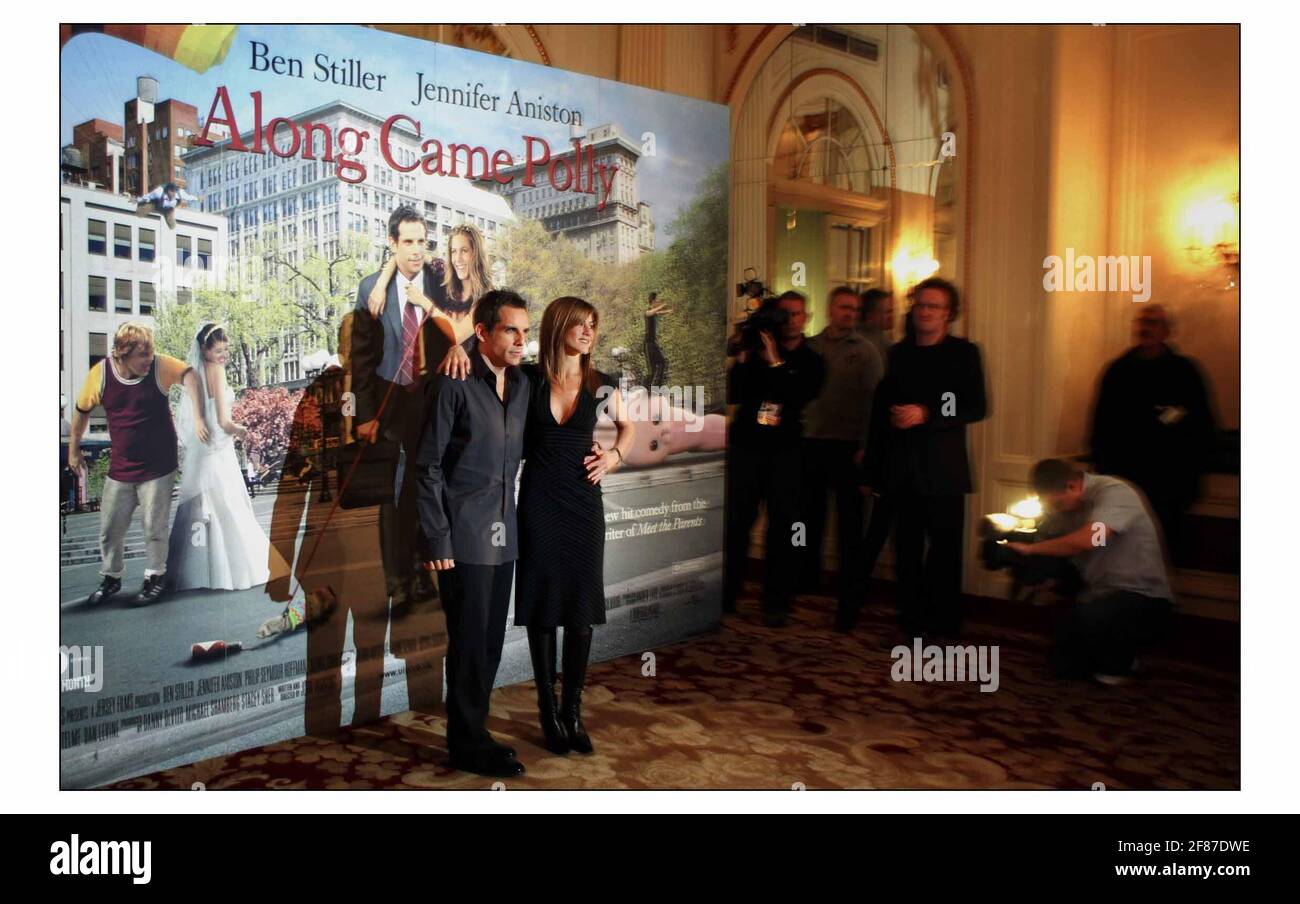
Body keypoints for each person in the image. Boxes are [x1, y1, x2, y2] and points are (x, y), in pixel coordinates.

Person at [416, 290, 532, 778]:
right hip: (463, 537)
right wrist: (437, 539)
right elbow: (427, 467)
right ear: (482, 332)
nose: (521, 341)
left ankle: (475, 732)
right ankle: (465, 742)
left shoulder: (525, 383)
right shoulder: (454, 382)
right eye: (510, 330)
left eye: (526, 331)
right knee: (468, 643)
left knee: (488, 641)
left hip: (506, 534)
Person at [516, 297, 635, 756]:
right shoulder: (527, 379)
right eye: (580, 324)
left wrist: (615, 456)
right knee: (544, 606)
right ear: (559, 326)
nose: (588, 332)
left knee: (581, 610)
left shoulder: (601, 383)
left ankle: (572, 711)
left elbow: (628, 429)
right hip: (540, 503)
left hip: (585, 505)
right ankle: (547, 711)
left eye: (593, 325)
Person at [351, 206, 470, 614]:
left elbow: (465, 324)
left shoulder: (443, 283)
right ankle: (397, 581)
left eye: (422, 241)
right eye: (408, 242)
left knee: (428, 488)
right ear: (393, 244)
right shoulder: (371, 289)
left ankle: (422, 574)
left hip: (433, 400)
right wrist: (365, 415)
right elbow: (362, 357)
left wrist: (455, 343)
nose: (417, 250)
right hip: (390, 402)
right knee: (395, 495)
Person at [864, 277, 987, 639]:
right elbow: (888, 402)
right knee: (907, 550)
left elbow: (975, 406)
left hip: (943, 469)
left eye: (933, 306)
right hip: (902, 467)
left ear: (949, 314)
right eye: (920, 304)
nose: (925, 311)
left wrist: (927, 413)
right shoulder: (899, 353)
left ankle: (944, 625)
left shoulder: (964, 352)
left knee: (945, 551)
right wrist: (894, 417)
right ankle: (912, 623)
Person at [68, 322, 208, 605]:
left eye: (151, 352)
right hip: (121, 467)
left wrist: (198, 417)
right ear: (122, 354)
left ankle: (154, 577)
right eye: (142, 354)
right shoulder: (100, 376)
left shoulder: (159, 367)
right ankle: (111, 577)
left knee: (153, 527)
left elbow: (191, 376)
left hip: (159, 465)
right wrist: (74, 450)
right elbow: (81, 411)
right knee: (109, 528)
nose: (149, 359)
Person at [1008, 459, 1175, 684]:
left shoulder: (1114, 493)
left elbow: (1092, 538)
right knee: (1064, 667)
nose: (1055, 510)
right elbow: (1051, 541)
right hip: (1098, 591)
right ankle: (1108, 652)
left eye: (1056, 504)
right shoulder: (1066, 505)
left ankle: (1123, 658)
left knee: (1090, 630)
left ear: (1073, 485)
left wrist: (1031, 549)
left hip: (1142, 597)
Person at [724, 291, 826, 627]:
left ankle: (776, 601)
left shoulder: (812, 360)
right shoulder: (754, 351)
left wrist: (776, 362)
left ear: (806, 318)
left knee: (783, 527)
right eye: (785, 314)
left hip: (785, 452)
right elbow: (736, 394)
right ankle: (727, 593)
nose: (791, 320)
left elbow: (796, 397)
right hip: (748, 447)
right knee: (737, 522)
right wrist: (741, 355)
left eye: (797, 314)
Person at [166, 322, 290, 592]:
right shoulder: (218, 372)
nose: (223, 355)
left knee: (198, 506)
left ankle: (191, 572)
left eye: (226, 350)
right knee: (228, 505)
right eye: (219, 350)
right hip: (219, 448)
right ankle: (236, 569)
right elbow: (223, 421)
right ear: (204, 348)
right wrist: (241, 430)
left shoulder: (194, 374)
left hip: (202, 449)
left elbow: (199, 416)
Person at [1088, 304, 1215, 560]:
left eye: (1153, 322)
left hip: (1169, 482)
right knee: (1117, 550)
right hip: (1124, 478)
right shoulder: (1118, 371)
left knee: (1161, 551)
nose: (1145, 328)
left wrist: (1191, 470)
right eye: (1141, 321)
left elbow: (1202, 425)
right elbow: (1099, 424)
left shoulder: (1185, 372)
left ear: (1166, 331)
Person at [801, 287, 883, 629]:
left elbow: (875, 405)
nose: (849, 313)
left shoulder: (866, 352)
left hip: (848, 447)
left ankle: (851, 593)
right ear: (830, 308)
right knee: (808, 519)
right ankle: (806, 582)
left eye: (855, 309)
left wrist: (868, 447)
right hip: (810, 445)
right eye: (844, 307)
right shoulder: (810, 347)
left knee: (851, 526)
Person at [368, 223, 492, 347]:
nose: (457, 259)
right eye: (454, 251)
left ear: (477, 254)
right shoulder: (444, 277)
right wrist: (380, 286)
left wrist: (423, 301)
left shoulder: (487, 299)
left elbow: (457, 335)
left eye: (464, 251)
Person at [857, 287, 895, 364]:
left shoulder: (879, 335)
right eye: (887, 312)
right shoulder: (865, 344)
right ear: (870, 316)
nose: (892, 316)